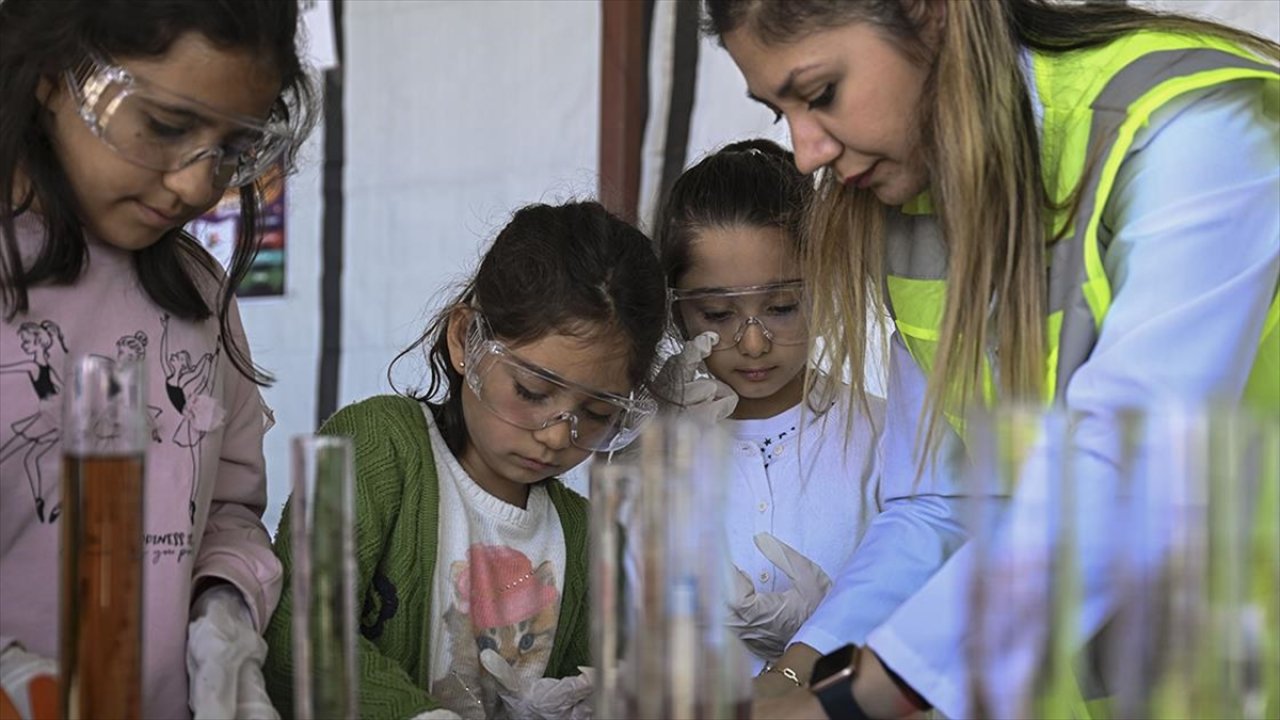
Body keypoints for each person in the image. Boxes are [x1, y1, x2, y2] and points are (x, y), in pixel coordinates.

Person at [703, 0, 1279, 718]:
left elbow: (1131, 467)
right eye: (778, 112)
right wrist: (793, 674)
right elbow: (941, 504)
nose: (806, 150)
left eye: (820, 94)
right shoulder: (912, 197)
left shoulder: (1194, 125)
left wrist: (846, 702)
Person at [0, 0, 317, 717]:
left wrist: (224, 611)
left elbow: (230, 510)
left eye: (233, 149)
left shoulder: (198, 296)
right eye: (167, 127)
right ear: (55, 74)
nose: (198, 185)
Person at [262, 200, 668, 720]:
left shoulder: (588, 540)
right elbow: (298, 639)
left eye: (594, 413)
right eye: (531, 390)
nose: (555, 435)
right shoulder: (368, 442)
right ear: (465, 340)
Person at [653, 138, 965, 678]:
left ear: (827, 284)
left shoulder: (887, 438)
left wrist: (831, 631)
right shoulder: (638, 453)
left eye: (781, 307)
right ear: (676, 312)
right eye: (718, 314)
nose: (752, 343)